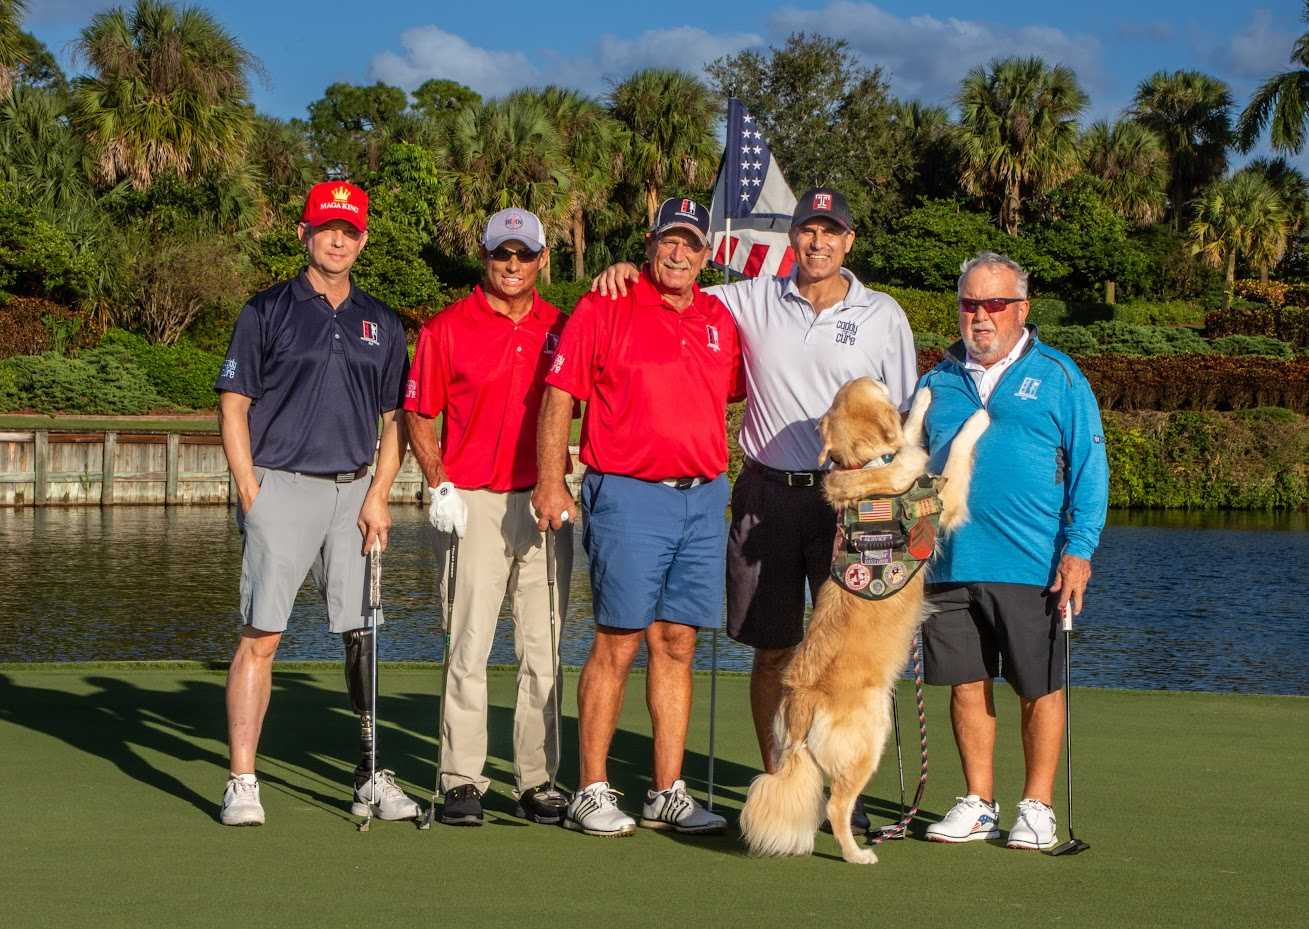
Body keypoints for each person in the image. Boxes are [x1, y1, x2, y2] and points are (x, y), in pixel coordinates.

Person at [592, 187, 917, 829]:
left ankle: (836, 787)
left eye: (831, 232)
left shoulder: (883, 314)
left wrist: (897, 498)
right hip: (767, 494)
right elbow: (676, 286)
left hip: (850, 501)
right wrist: (626, 269)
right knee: (773, 651)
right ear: (792, 238)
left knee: (845, 652)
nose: (818, 242)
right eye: (808, 231)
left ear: (849, 241)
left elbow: (901, 418)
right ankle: (784, 783)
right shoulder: (750, 297)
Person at [532, 197, 741, 837]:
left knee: (677, 642)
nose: (678, 254)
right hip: (628, 493)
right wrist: (550, 480)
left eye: (691, 244)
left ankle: (665, 790)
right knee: (618, 640)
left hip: (703, 498)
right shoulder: (605, 303)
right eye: (668, 241)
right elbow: (560, 395)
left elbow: (732, 392)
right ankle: (591, 789)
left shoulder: (718, 317)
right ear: (650, 245)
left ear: (705, 255)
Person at [215, 181, 418, 827]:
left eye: (349, 231)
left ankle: (369, 773)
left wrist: (380, 494)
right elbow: (233, 405)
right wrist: (250, 490)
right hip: (281, 485)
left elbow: (396, 419)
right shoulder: (267, 309)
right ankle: (243, 780)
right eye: (327, 228)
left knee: (364, 634)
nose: (338, 240)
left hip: (355, 493)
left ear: (363, 239)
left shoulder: (381, 321)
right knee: (263, 635)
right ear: (304, 233)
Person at [916, 251, 1108, 850]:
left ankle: (1037, 806)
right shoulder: (936, 381)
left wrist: (1079, 550)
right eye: (970, 303)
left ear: (1021, 309)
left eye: (994, 303)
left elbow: (1091, 470)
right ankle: (978, 802)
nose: (980, 315)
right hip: (949, 562)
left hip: (1033, 564)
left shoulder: (1058, 375)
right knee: (966, 683)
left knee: (1037, 686)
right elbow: (909, 466)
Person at [404, 208, 573, 827]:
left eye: (524, 254)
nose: (512, 264)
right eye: (502, 253)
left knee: (543, 650)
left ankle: (537, 779)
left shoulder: (563, 327)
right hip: (473, 501)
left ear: (542, 259)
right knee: (468, 647)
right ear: (485, 257)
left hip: (543, 501)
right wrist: (439, 482)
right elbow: (418, 411)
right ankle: (461, 780)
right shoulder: (447, 327)